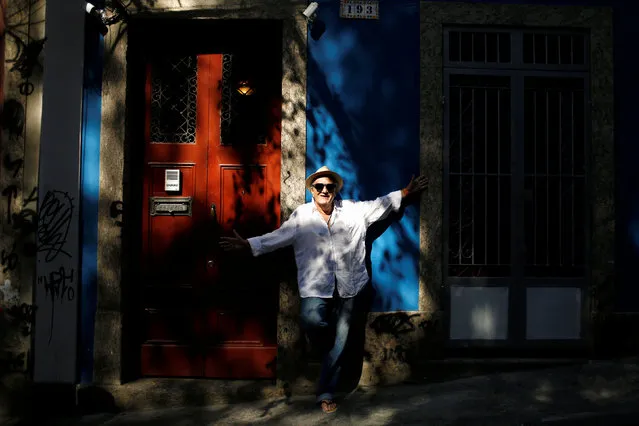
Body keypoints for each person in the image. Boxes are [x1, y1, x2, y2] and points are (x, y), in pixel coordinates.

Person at [219, 166, 428, 413]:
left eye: (329, 186)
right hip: (316, 286)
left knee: (340, 340)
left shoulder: (353, 210)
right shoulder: (301, 217)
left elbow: (380, 204)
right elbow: (278, 237)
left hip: (351, 286)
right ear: (312, 190)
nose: (325, 190)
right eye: (319, 187)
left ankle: (326, 391)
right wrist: (249, 245)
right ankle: (333, 347)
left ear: (336, 189)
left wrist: (405, 192)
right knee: (312, 321)